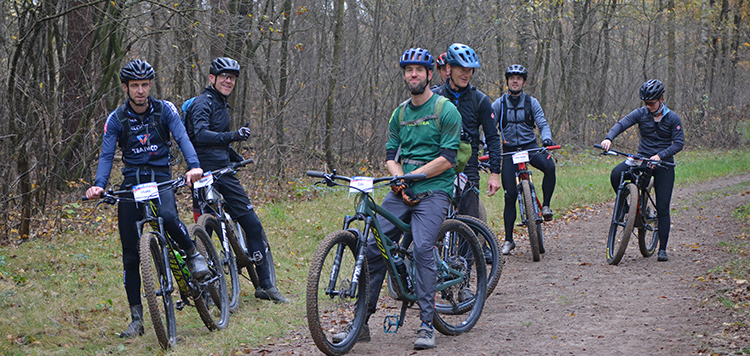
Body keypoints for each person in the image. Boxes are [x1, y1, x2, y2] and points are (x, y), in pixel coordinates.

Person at [333, 47, 461, 350]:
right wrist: (399, 178)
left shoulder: (446, 110)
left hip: (435, 190)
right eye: (408, 70)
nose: (412, 75)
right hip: (403, 191)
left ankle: (427, 324)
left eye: (418, 70)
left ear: (430, 74)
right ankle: (361, 323)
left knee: (422, 249)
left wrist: (414, 177)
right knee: (372, 248)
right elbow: (391, 156)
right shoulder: (399, 113)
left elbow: (447, 159)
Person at [85, 59, 209, 338]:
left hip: (160, 177)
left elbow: (182, 137)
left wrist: (193, 165)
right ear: (126, 88)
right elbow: (106, 156)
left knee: (167, 216)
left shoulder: (165, 111)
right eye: (134, 86)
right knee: (130, 252)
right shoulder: (116, 119)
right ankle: (136, 318)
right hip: (132, 183)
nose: (140, 91)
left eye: (144, 85)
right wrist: (99, 186)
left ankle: (192, 253)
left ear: (150, 85)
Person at [185, 57, 289, 303]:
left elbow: (217, 143)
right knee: (206, 233)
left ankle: (265, 286)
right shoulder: (203, 103)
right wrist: (235, 135)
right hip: (205, 175)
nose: (229, 81)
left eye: (232, 78)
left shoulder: (221, 104)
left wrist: (235, 156)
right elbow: (199, 135)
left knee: (249, 225)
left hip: (222, 170)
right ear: (212, 78)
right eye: (224, 76)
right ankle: (209, 291)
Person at [599, 79, 684, 261]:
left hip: (663, 164)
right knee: (616, 173)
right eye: (646, 103)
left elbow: (678, 143)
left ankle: (662, 248)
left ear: (661, 99)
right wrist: (609, 138)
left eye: (652, 103)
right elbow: (622, 124)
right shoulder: (641, 113)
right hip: (642, 159)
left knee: (662, 207)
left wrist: (660, 156)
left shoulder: (672, 118)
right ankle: (626, 207)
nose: (649, 106)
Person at [491, 64, 558, 255]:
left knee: (550, 166)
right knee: (509, 195)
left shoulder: (531, 102)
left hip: (530, 147)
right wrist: (489, 147)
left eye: (518, 78)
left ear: (524, 82)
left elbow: (542, 123)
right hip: (509, 151)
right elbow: (489, 128)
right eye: (511, 77)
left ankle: (545, 206)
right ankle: (509, 240)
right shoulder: (499, 104)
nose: (514, 81)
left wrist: (546, 138)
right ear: (507, 81)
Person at [432, 43, 502, 223]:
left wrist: (495, 173)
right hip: (436, 161)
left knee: (470, 219)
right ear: (449, 68)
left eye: (470, 70)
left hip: (467, 165)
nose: (466, 74)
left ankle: (475, 250)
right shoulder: (434, 97)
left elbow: (493, 137)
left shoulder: (479, 100)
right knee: (430, 217)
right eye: (461, 69)